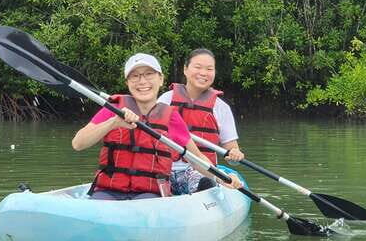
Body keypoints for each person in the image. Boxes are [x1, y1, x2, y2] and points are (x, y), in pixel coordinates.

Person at [72, 52, 243, 200]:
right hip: (109, 191)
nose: (142, 81)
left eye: (149, 74)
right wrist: (113, 123)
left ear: (160, 79)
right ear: (127, 82)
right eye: (135, 76)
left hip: (148, 194)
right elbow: (78, 144)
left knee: (145, 203)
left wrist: (223, 179)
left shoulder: (170, 117)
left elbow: (197, 159)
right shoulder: (114, 108)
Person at [157, 48, 245, 195]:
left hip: (201, 169)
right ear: (185, 69)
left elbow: (231, 153)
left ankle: (205, 192)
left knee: (203, 181)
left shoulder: (221, 107)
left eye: (209, 69)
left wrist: (235, 156)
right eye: (197, 67)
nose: (203, 73)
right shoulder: (165, 100)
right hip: (165, 168)